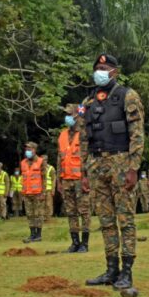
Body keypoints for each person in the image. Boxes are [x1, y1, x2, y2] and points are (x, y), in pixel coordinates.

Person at [82, 54, 144, 290]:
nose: (100, 71)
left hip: (121, 163)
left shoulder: (128, 96)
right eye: (97, 67)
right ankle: (111, 269)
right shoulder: (89, 102)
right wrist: (83, 172)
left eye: (105, 68)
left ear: (115, 72)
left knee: (125, 219)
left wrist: (133, 167)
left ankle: (127, 272)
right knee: (106, 221)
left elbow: (137, 134)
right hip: (97, 165)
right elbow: (84, 139)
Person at [58, 104, 91, 252]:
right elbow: (60, 158)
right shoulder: (63, 135)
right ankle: (75, 242)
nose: (67, 117)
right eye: (66, 114)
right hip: (66, 179)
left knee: (84, 211)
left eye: (70, 114)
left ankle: (84, 243)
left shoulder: (84, 134)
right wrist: (59, 180)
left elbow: (89, 158)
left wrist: (87, 177)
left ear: (77, 116)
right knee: (70, 211)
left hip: (80, 179)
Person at [21, 142, 48, 243]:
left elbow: (44, 178)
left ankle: (38, 235)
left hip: (38, 193)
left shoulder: (41, 161)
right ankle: (32, 234)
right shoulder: (23, 162)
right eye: (26, 149)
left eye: (30, 149)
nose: (27, 151)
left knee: (38, 214)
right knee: (29, 214)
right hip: (27, 193)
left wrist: (43, 193)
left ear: (34, 150)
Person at [43, 154, 57, 221]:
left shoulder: (51, 168)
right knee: (41, 204)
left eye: (45, 160)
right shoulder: (38, 168)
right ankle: (42, 217)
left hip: (48, 189)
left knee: (48, 204)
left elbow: (53, 180)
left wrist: (53, 189)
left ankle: (48, 217)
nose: (44, 161)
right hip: (41, 190)